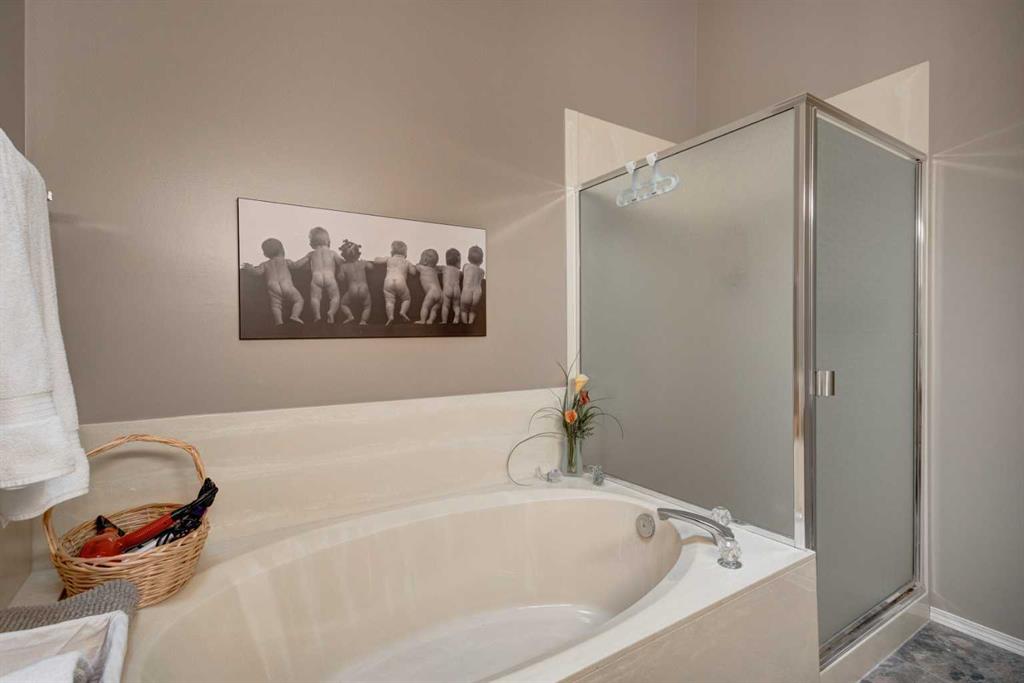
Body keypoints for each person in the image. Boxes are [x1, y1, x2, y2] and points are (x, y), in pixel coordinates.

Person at [241, 238, 304, 325]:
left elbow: (258, 272)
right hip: (286, 284)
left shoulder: (265, 264)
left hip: (272, 286)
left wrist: (251, 269)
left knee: (276, 305)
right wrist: (306, 258)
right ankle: (295, 316)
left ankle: (279, 321)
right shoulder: (285, 261)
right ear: (282, 250)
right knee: (298, 300)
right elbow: (296, 265)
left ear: (265, 254)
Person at [291, 226, 342, 324]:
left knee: (315, 298)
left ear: (312, 244)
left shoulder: (311, 254)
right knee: (335, 297)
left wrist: (291, 264)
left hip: (316, 277)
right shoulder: (332, 253)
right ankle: (331, 312)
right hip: (330, 277)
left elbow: (297, 265)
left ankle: (317, 316)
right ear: (328, 241)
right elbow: (342, 263)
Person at [374, 240, 415, 325]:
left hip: (388, 282)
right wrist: (413, 266)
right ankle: (403, 312)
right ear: (405, 253)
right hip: (401, 281)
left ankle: (390, 317)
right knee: (406, 299)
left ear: (392, 252)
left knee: (389, 301)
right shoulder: (407, 262)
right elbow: (413, 272)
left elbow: (376, 260)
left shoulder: (389, 259)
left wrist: (384, 257)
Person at [337, 239, 373, 325]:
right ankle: (363, 321)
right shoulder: (362, 263)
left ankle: (350, 316)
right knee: (367, 306)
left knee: (343, 304)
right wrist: (366, 263)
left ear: (344, 256)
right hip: (364, 288)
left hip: (352, 289)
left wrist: (340, 273)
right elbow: (371, 267)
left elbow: (341, 278)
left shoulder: (344, 266)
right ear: (358, 254)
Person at [414, 249, 443, 325]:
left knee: (425, 306)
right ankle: (430, 320)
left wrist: (418, 263)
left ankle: (422, 320)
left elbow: (415, 267)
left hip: (432, 291)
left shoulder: (421, 267)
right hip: (441, 293)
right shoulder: (435, 270)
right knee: (434, 309)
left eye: (421, 258)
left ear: (425, 261)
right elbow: (441, 269)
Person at [460, 245, 485, 325]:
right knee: (473, 311)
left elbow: (462, 275)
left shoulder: (466, 266)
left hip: (467, 292)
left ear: (468, 258)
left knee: (463, 310)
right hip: (477, 293)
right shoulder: (482, 271)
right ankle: (470, 323)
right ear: (481, 261)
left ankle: (465, 324)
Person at [440, 248, 462, 325]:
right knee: (456, 306)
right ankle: (457, 316)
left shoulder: (444, 268)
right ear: (458, 261)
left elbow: (434, 268)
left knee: (445, 306)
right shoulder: (458, 271)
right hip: (457, 290)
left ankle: (444, 321)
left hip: (447, 289)